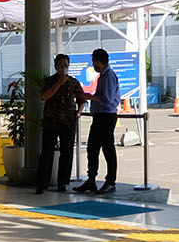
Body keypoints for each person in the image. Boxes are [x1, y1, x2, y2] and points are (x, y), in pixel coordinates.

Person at [36, 53, 85, 192]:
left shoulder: (74, 82)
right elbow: (45, 96)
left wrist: (78, 113)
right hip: (51, 121)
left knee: (67, 152)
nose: (64, 67)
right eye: (61, 65)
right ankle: (42, 183)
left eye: (66, 65)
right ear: (56, 66)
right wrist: (59, 83)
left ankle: (62, 182)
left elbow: (82, 99)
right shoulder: (49, 81)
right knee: (47, 152)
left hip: (68, 122)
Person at [76, 49, 120, 194]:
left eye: (94, 62)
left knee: (107, 149)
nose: (94, 65)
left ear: (98, 62)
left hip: (106, 116)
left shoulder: (108, 76)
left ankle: (110, 182)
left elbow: (106, 99)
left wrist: (88, 96)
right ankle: (91, 180)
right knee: (92, 148)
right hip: (100, 116)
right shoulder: (103, 76)